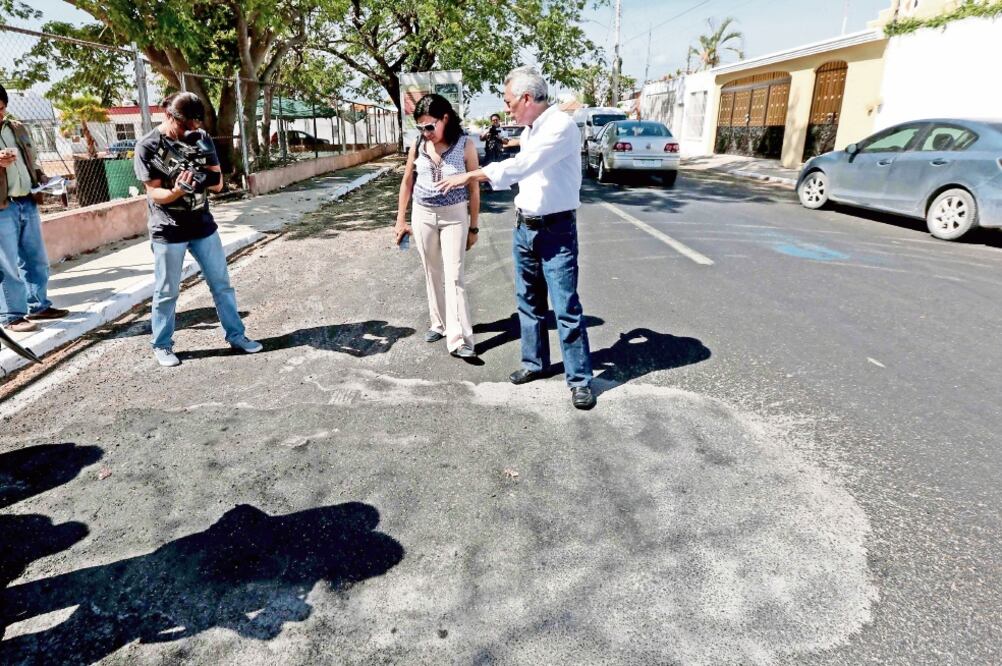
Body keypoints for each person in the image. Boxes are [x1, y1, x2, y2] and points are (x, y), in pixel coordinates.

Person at [436, 66, 596, 410]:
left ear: (526, 98)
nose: (507, 108)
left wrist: (473, 175)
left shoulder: (560, 128)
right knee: (528, 302)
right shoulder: (530, 130)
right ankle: (535, 363)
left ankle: (580, 380)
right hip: (525, 226)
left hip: (556, 230)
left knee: (565, 307)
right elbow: (523, 167)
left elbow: (524, 166)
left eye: (509, 101)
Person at [133, 92, 261, 367]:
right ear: (168, 114)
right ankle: (162, 345)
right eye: (184, 127)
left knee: (222, 285)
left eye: (193, 126)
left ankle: (237, 336)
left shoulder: (200, 137)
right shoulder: (148, 145)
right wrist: (178, 191)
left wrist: (200, 179)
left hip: (202, 225)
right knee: (167, 291)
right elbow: (154, 193)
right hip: (168, 229)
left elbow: (217, 184)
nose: (189, 132)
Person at [394, 94, 480, 359]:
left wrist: (474, 227)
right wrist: (401, 219)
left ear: (445, 118)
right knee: (432, 271)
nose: (425, 132)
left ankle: (460, 339)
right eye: (420, 127)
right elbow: (408, 181)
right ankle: (439, 323)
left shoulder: (465, 144)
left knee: (454, 275)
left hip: (455, 215)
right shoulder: (418, 144)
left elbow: (474, 188)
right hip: (423, 214)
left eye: (430, 126)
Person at [0, 84, 69, 333]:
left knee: (35, 259)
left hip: (27, 200)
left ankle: (38, 305)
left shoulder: (16, 128)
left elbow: (32, 160)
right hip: (2, 207)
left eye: (0, 109)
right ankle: (12, 316)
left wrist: (44, 179)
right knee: (6, 265)